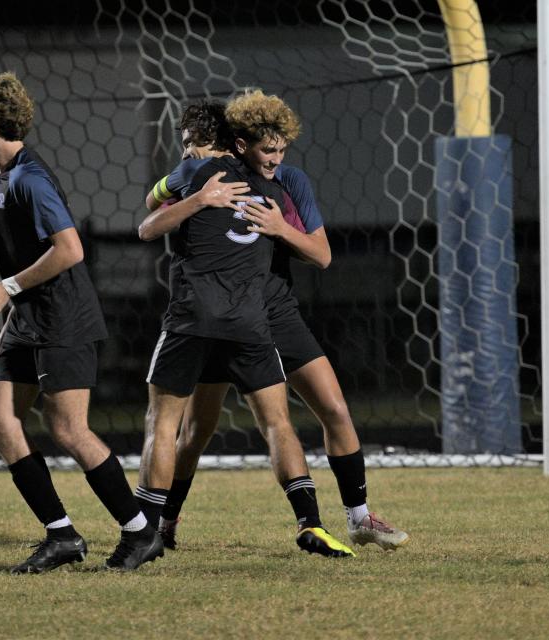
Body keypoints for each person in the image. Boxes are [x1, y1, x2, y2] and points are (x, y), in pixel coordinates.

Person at [140, 96, 408, 553]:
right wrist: (186, 177)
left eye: (281, 150)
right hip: (232, 313)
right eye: (268, 150)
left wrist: (281, 228)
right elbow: (153, 202)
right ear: (240, 144)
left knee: (334, 409)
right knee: (196, 431)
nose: (276, 159)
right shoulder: (206, 173)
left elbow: (321, 254)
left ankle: (359, 518)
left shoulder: (290, 182)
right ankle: (165, 521)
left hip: (275, 313)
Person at [0, 71, 163, 572]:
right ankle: (61, 535)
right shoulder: (7, 179)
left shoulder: (29, 177)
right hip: (29, 320)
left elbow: (69, 249)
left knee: (68, 429)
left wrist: (7, 289)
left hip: (63, 319)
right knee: (2, 423)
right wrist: (13, 307)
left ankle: (140, 533)